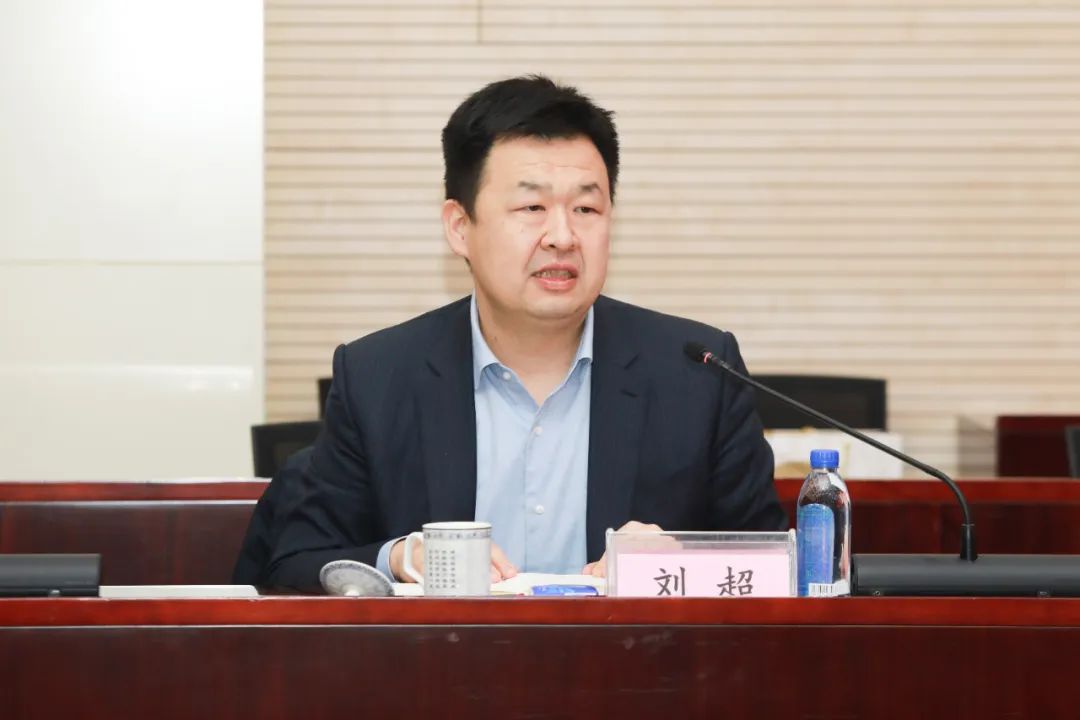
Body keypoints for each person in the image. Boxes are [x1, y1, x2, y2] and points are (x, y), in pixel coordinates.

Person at [265, 75, 786, 591]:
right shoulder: (377, 376)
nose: (562, 236)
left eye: (586, 209)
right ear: (460, 227)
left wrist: (679, 565)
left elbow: (777, 570)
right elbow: (292, 565)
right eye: (532, 208)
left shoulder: (698, 374)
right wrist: (401, 557)